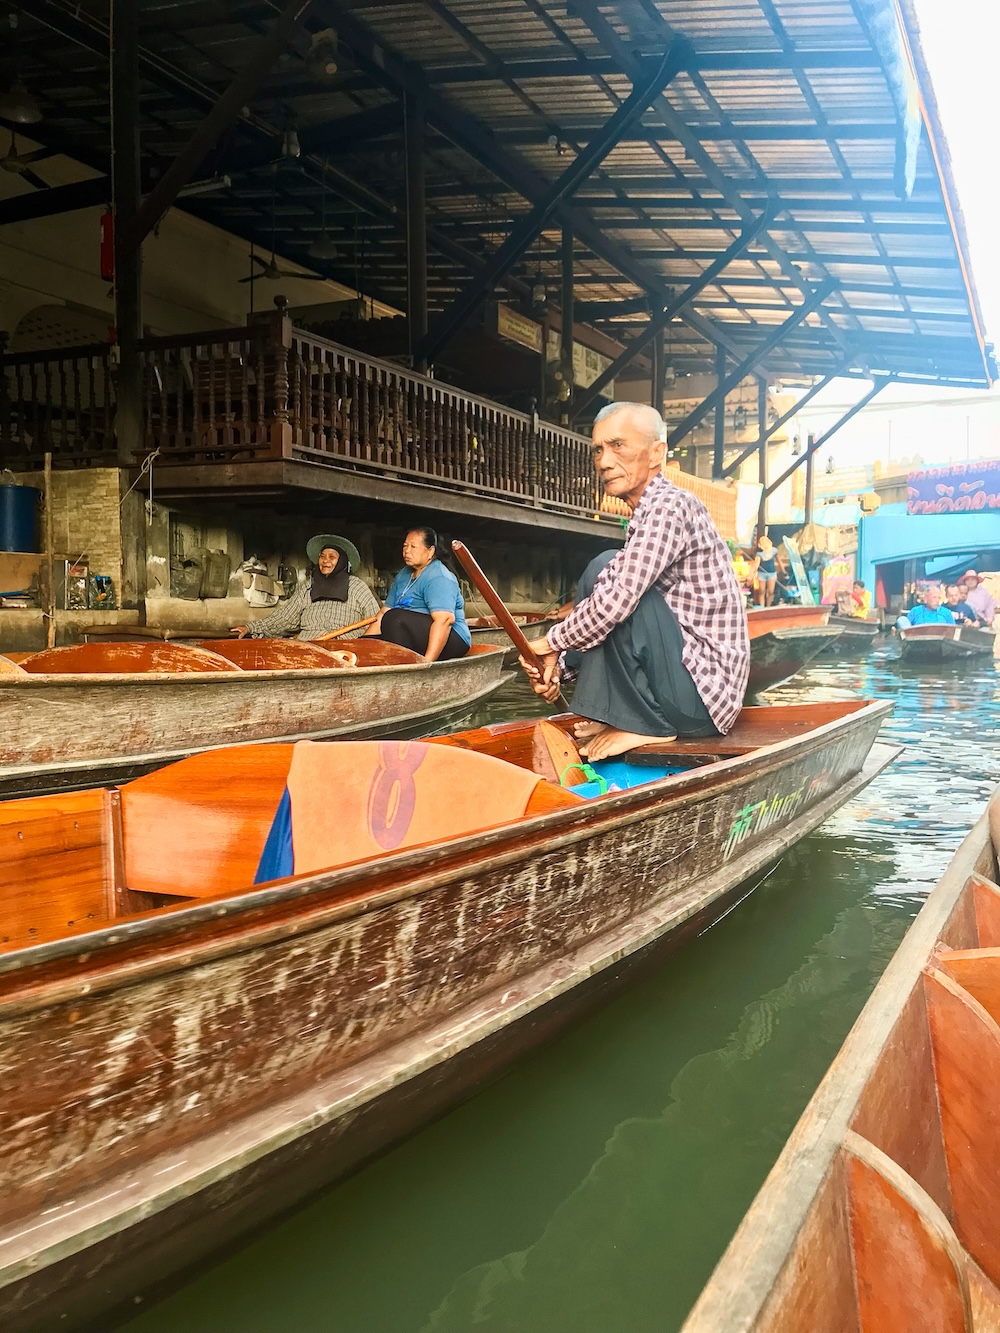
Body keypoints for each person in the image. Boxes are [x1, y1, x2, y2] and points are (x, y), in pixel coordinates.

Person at [521, 402, 750, 762]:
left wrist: (550, 642)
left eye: (618, 446)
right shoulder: (645, 514)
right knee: (603, 568)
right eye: (598, 449)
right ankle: (618, 712)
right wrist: (560, 665)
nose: (604, 461)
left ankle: (646, 725)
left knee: (618, 588)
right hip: (678, 688)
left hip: (700, 705)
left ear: (657, 452)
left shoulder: (670, 507)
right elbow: (609, 597)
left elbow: (618, 600)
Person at [232, 534, 379, 640]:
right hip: (309, 645)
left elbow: (375, 621)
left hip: (345, 649)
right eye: (322, 556)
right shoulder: (309, 586)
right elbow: (285, 618)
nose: (325, 561)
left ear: (342, 562)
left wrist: (353, 640)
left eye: (332, 557)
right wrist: (251, 628)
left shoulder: (357, 587)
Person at [366, 526, 470, 661]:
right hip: (415, 632)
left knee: (394, 619)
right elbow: (383, 614)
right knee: (381, 631)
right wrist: (363, 643)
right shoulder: (403, 575)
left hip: (453, 638)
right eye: (405, 546)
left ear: (430, 551)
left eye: (413, 547)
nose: (407, 551)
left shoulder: (439, 577)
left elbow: (444, 621)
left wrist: (427, 662)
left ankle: (406, 664)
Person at [753, 534, 778, 607]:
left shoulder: (774, 550)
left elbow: (778, 561)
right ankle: (762, 607)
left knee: (770, 592)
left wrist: (783, 571)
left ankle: (768, 606)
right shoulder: (759, 553)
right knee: (761, 591)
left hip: (772, 573)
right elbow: (756, 564)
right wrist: (754, 573)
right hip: (761, 574)